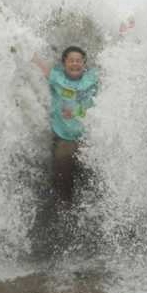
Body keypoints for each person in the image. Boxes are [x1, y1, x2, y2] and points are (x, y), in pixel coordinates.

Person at [32, 46, 98, 208]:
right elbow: (43, 69)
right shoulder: (57, 78)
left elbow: (96, 101)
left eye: (78, 61)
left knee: (93, 167)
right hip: (64, 136)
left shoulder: (92, 79)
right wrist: (30, 54)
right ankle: (64, 203)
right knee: (63, 163)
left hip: (87, 135)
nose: (75, 64)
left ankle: (93, 201)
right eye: (71, 60)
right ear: (64, 63)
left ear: (84, 63)